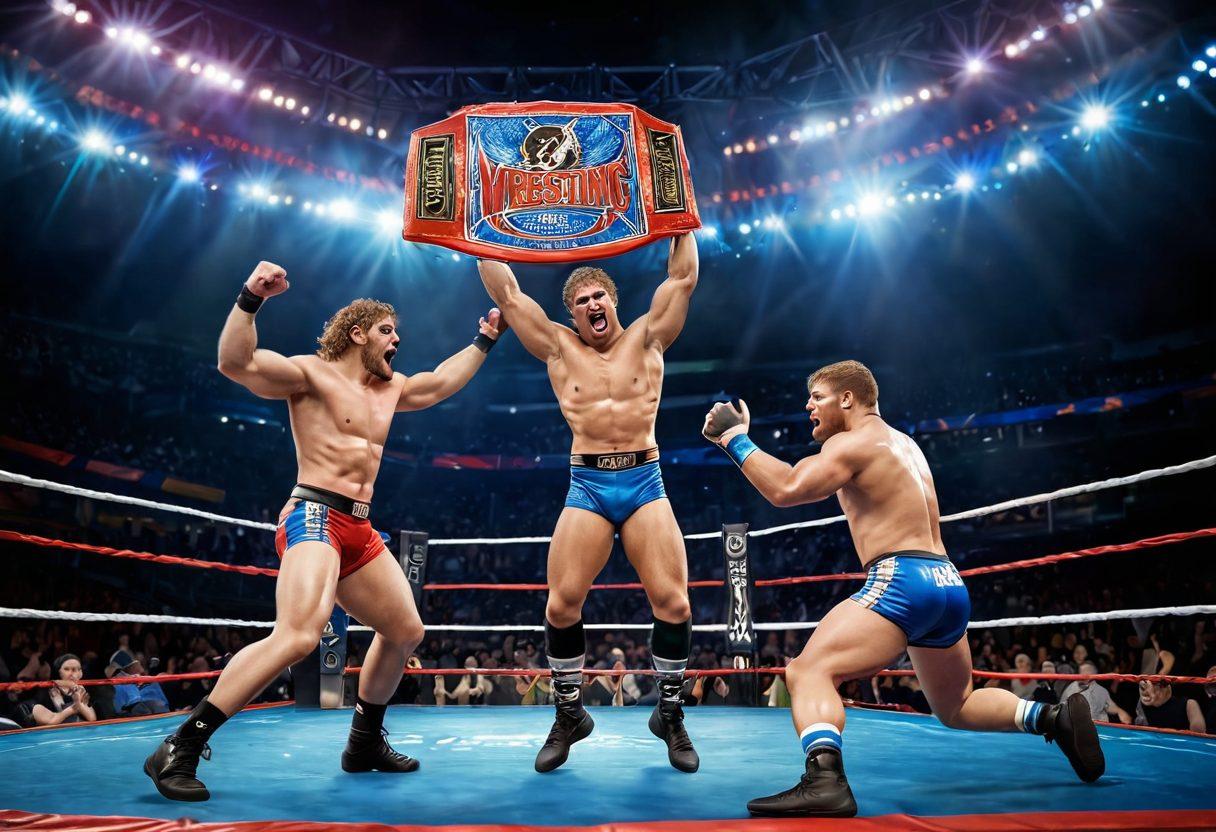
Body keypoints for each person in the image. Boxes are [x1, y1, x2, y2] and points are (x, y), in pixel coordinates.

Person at [144, 261, 507, 801]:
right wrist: (250, 297)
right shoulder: (309, 374)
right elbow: (233, 361)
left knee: (405, 630)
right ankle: (182, 745)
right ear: (357, 333)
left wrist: (483, 338)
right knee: (299, 634)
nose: (397, 340)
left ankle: (363, 743)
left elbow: (438, 386)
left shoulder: (391, 389)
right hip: (313, 512)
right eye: (388, 330)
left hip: (360, 527)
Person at [700, 360, 1104, 818]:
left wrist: (734, 438)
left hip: (902, 580)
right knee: (957, 704)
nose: (808, 405)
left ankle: (824, 781)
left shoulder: (853, 443)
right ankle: (1053, 718)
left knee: (807, 671)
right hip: (947, 581)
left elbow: (787, 487)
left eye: (818, 396)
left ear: (848, 398)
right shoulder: (904, 443)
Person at [477, 235, 700, 773]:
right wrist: (472, 233)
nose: (593, 305)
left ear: (614, 302)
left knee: (675, 603)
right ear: (571, 313)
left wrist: (678, 214)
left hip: (645, 479)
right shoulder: (557, 346)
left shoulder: (648, 336)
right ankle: (569, 712)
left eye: (600, 296)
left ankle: (670, 714)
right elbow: (508, 294)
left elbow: (683, 278)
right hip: (589, 484)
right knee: (560, 604)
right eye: (582, 301)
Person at [30, 654, 97, 727]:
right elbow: (49, 720)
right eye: (67, 669)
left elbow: (92, 718)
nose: (72, 674)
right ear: (58, 671)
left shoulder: (82, 689)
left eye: (77, 669)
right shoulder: (47, 691)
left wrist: (79, 704)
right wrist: (75, 707)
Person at [1059, 662, 1132, 724]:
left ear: (1095, 673)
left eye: (1088, 670)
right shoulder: (1072, 687)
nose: (1085, 673)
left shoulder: (1101, 690)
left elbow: (1109, 705)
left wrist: (1120, 711)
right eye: (1082, 671)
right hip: (1077, 726)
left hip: (1098, 728)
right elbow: (1061, 708)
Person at [109, 650, 170, 716]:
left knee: (157, 705)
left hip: (145, 702)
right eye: (134, 664)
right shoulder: (120, 681)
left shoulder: (146, 679)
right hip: (131, 707)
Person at [1136, 679, 1205, 732]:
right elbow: (1140, 729)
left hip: (1181, 745)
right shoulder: (1144, 704)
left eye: (1157, 686)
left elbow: (1199, 733)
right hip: (1154, 745)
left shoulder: (1189, 704)